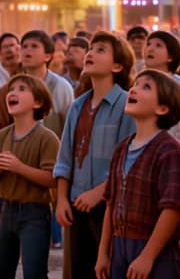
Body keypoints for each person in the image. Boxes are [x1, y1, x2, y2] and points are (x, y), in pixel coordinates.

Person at [54, 32, 135, 279]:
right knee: (80, 269)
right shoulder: (78, 105)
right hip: (76, 204)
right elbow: (64, 158)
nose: (90, 54)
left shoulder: (127, 104)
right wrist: (61, 200)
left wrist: (99, 192)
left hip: (109, 206)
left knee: (106, 270)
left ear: (117, 65)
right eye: (91, 49)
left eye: (100, 50)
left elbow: (128, 162)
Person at [96, 71, 180, 279]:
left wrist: (147, 256)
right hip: (119, 245)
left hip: (156, 249)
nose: (134, 89)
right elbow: (110, 203)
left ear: (162, 108)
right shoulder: (122, 148)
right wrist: (103, 253)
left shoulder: (169, 151)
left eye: (146, 87)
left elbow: (173, 209)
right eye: (135, 84)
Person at [0, 75, 60, 279]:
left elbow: (53, 179)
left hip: (35, 213)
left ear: (38, 102)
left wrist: (19, 167)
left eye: (22, 89)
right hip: (7, 211)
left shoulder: (47, 138)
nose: (13, 93)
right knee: (1, 272)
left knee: (34, 272)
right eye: (11, 89)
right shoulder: (1, 136)